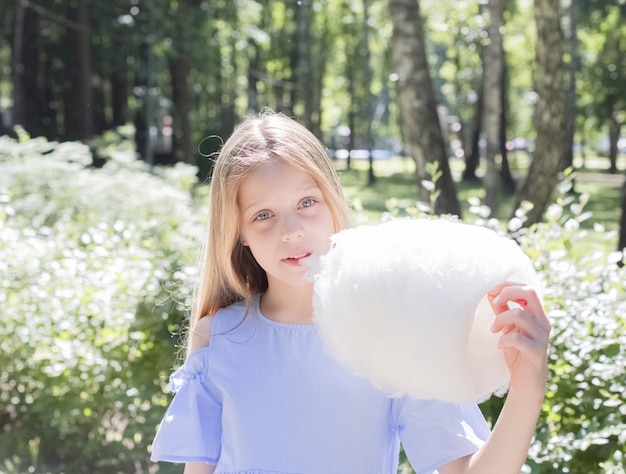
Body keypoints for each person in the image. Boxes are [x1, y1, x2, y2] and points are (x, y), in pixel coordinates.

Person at [150, 111, 551, 474]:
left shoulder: (387, 328)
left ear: (332, 199)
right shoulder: (217, 336)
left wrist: (525, 389)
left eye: (307, 202)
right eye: (263, 215)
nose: (291, 231)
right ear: (237, 231)